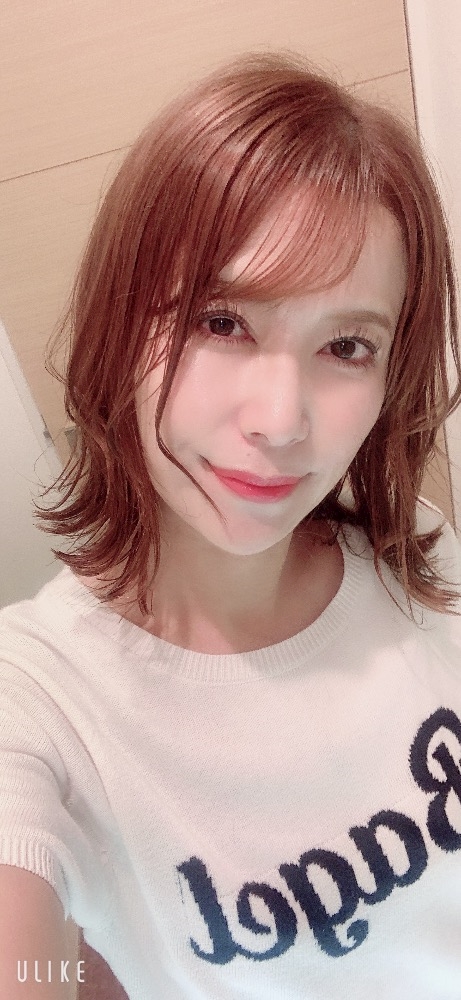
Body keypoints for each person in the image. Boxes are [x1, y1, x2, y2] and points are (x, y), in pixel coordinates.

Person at [1, 50, 461, 1000]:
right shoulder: (39, 704)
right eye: (221, 322)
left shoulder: (412, 550)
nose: (281, 421)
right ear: (120, 323)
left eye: (347, 345)